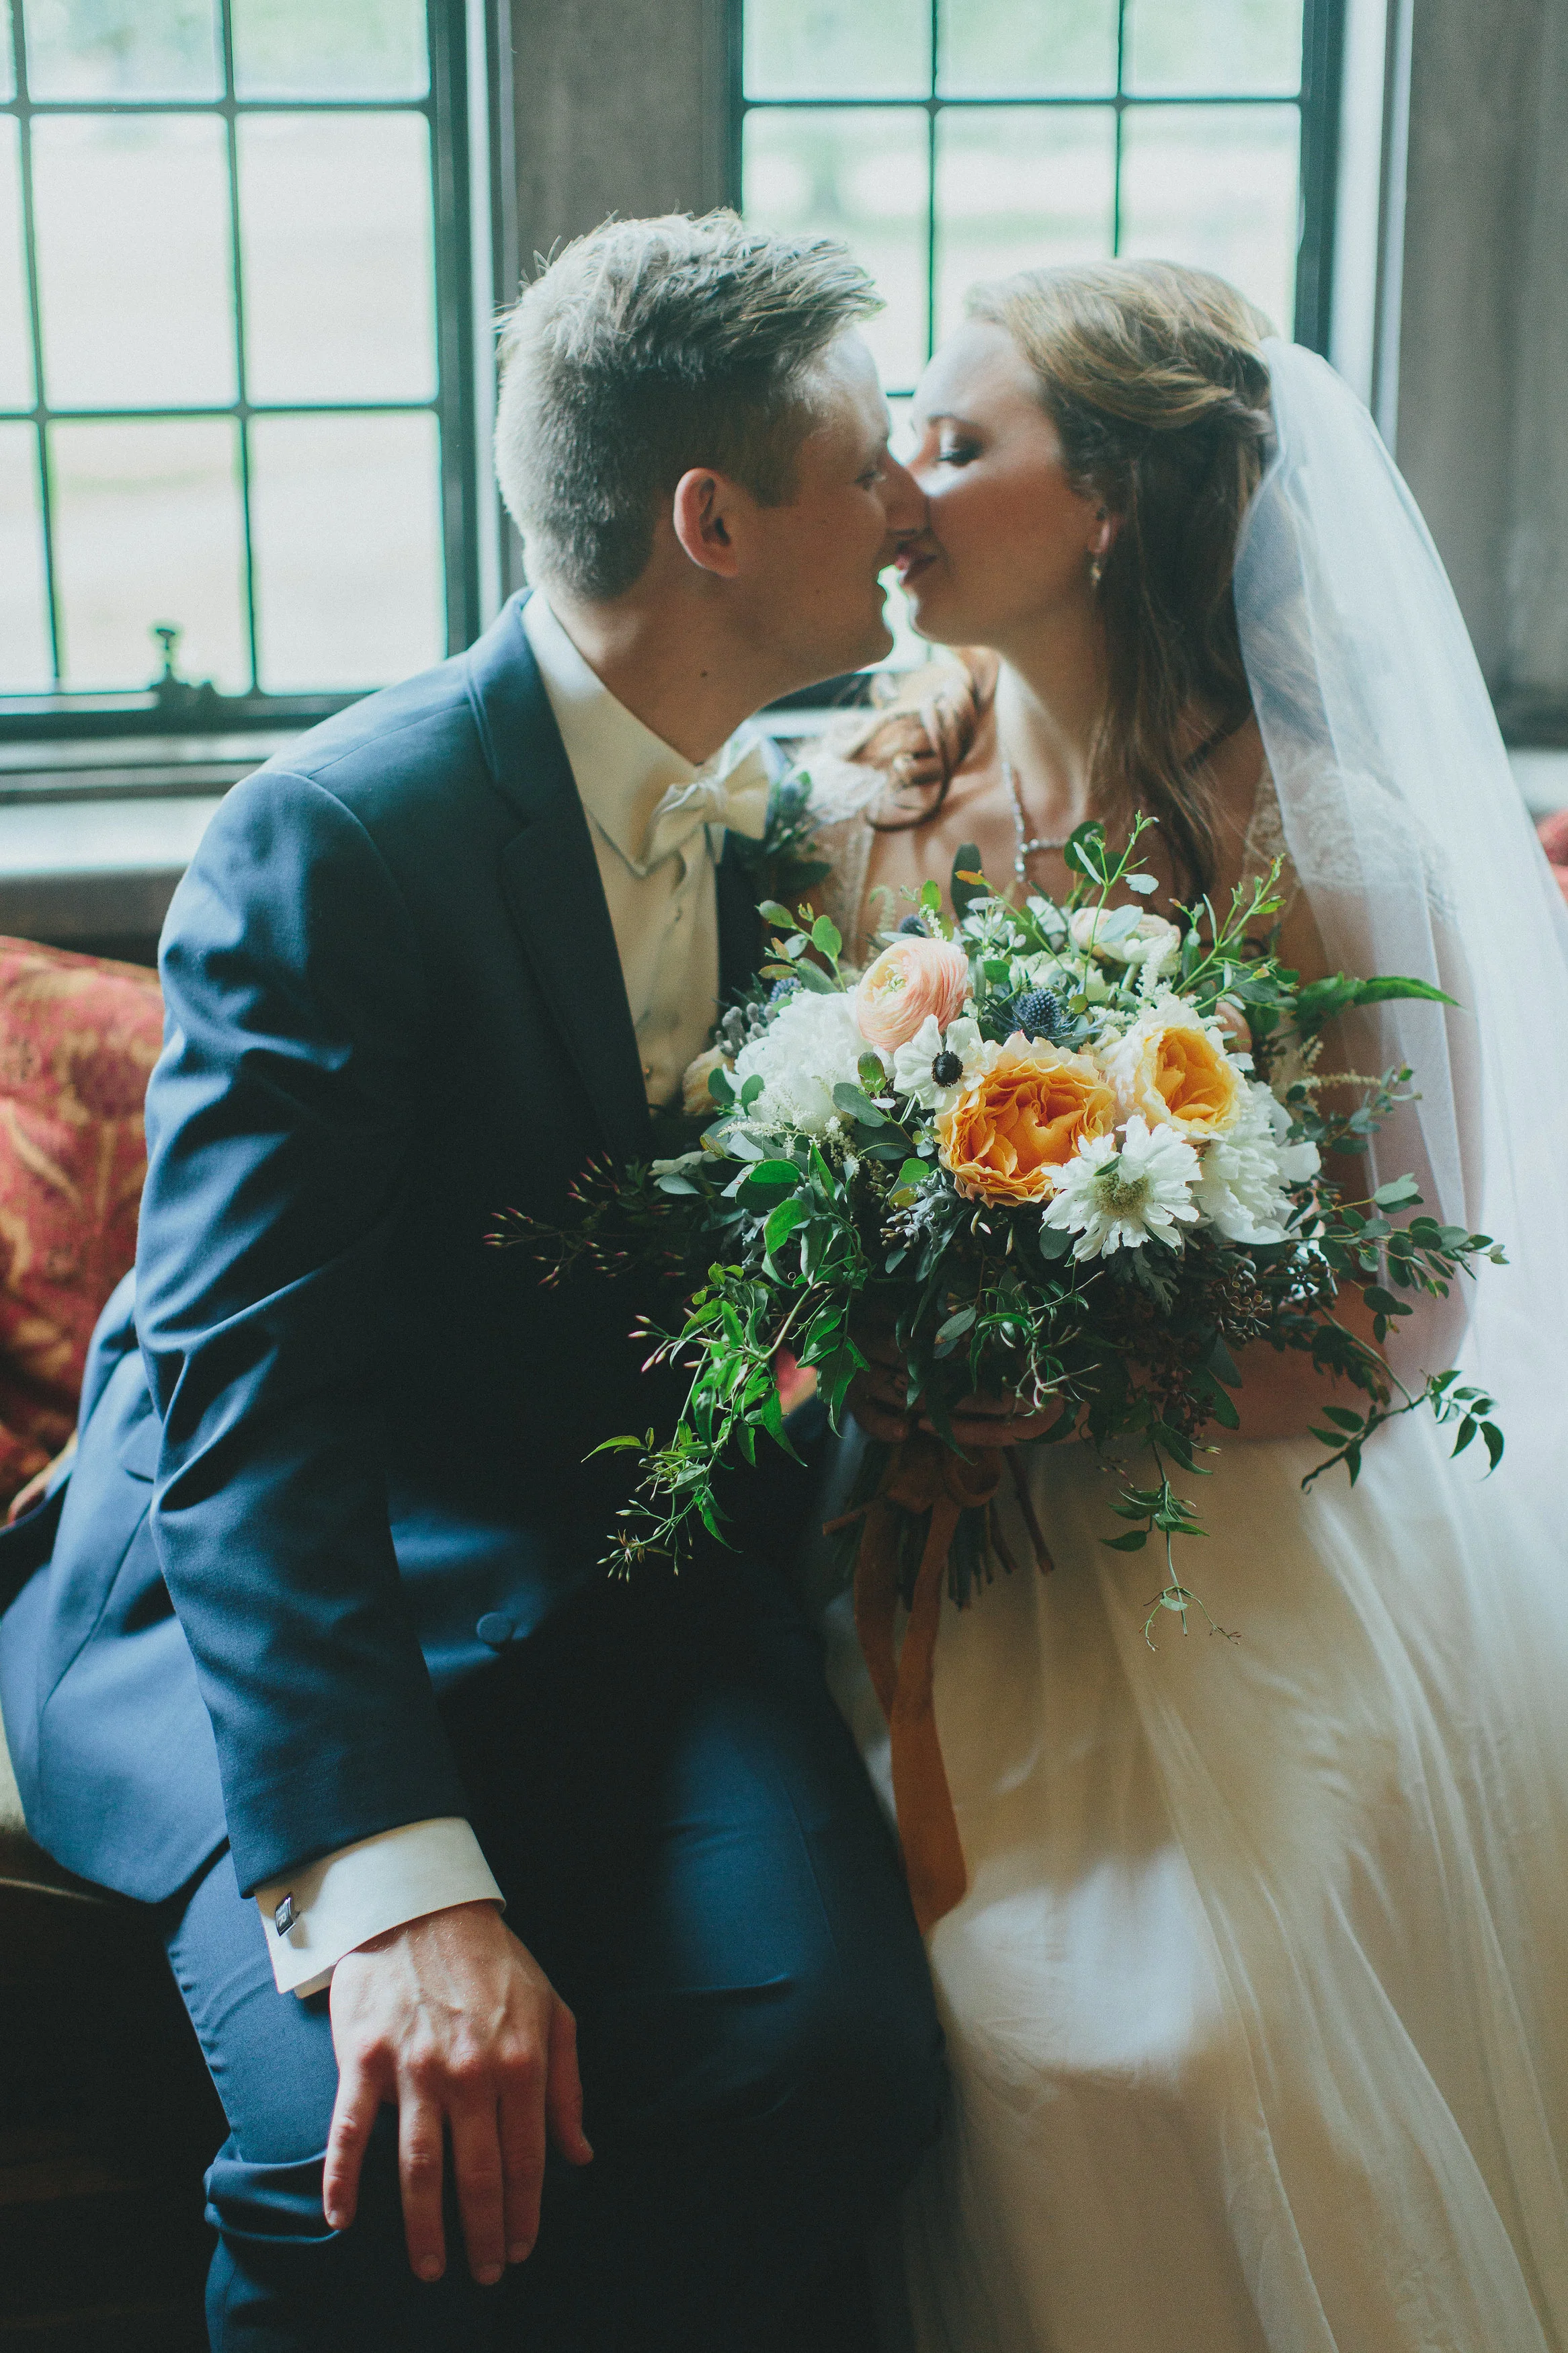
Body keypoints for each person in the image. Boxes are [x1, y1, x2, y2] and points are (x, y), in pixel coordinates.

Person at [0, 212, 945, 2353]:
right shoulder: (340, 836)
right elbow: (250, 1412)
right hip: (274, 1601)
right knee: (377, 2155)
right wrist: (404, 1887)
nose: (901, 505)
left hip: (613, 1573)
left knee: (842, 2064)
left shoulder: (777, 817)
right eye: (865, 455)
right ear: (710, 521)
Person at [800, 260, 1568, 2350]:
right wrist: (894, 1350)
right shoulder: (868, 799)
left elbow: (1403, 1315)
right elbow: (789, 1191)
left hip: (1233, 1548)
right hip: (920, 1550)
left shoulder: (1316, 839)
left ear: (1115, 500)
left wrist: (1079, 1375)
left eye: (956, 444)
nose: (895, 485)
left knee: (1171, 2044)